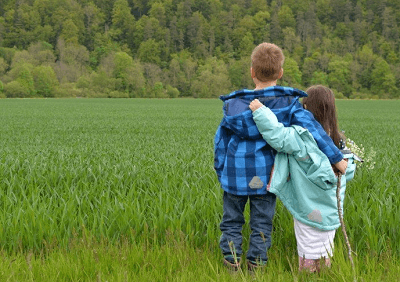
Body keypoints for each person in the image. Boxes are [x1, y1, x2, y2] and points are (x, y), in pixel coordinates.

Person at [214, 43, 347, 272]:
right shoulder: (288, 104)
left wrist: (221, 169)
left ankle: (231, 262)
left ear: (252, 72)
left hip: (234, 174)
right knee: (262, 223)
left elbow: (221, 142)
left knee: (231, 221)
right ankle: (257, 266)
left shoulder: (234, 106)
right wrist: (336, 157)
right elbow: (314, 131)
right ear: (281, 73)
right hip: (267, 175)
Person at [249, 85, 357, 272]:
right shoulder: (338, 142)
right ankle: (324, 274)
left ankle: (307, 275)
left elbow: (277, 135)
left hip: (307, 208)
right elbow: (347, 172)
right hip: (331, 211)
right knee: (325, 250)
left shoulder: (302, 137)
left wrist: (261, 112)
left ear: (305, 109)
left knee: (308, 250)